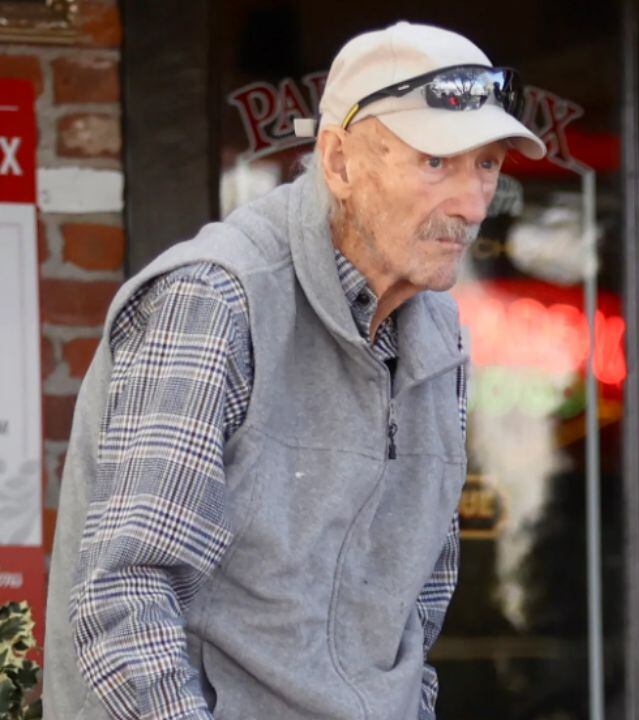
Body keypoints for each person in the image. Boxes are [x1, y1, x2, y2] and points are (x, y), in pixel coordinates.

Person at [43, 21, 545, 720]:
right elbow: (124, 601)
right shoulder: (216, 300)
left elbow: (412, 617)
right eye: (436, 162)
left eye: (486, 165)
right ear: (338, 162)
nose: (469, 203)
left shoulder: (438, 334)